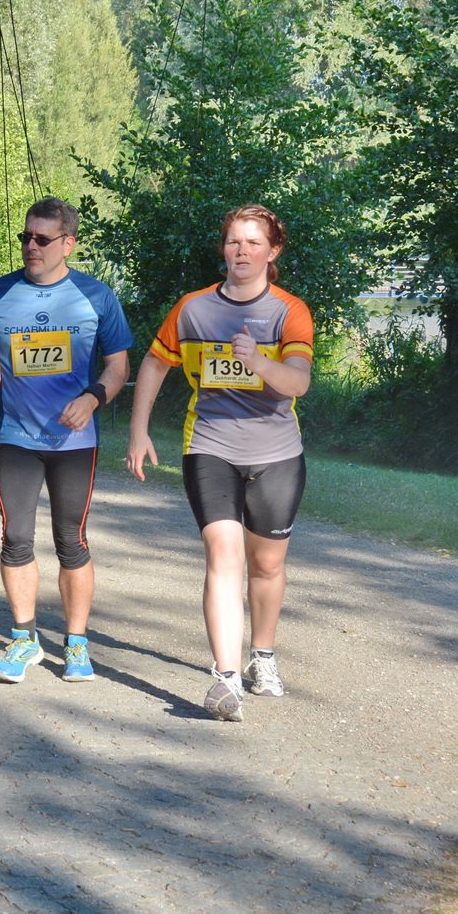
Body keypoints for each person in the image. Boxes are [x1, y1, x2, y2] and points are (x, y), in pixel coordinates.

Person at [126, 204, 313, 722]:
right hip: (209, 444)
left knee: (268, 563)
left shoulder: (288, 311)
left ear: (272, 252)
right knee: (223, 551)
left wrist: (260, 361)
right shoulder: (193, 309)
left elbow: (298, 382)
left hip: (277, 452)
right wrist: (139, 430)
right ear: (223, 248)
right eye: (234, 241)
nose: (242, 251)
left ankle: (263, 657)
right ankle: (226, 678)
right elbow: (154, 362)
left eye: (254, 243)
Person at [0, 196, 132, 684]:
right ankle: (24, 639)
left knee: (71, 541)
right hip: (17, 438)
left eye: (42, 239)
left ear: (68, 243)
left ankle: (77, 643)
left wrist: (94, 398)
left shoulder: (96, 296)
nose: (30, 247)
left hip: (73, 444)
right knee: (15, 538)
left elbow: (119, 365)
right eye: (25, 237)